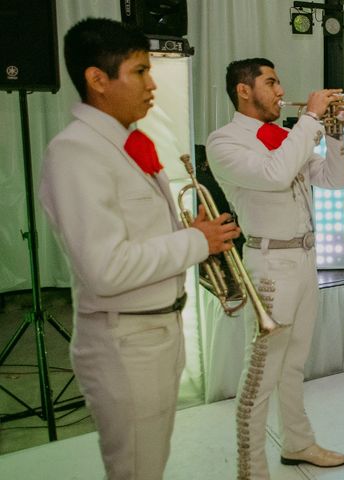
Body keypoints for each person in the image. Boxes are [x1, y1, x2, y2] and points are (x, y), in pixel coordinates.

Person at [39, 18, 241, 480]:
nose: (152, 85)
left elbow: (137, 237)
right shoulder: (76, 151)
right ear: (97, 80)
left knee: (150, 463)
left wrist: (189, 231)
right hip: (124, 342)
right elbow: (106, 268)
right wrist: (195, 240)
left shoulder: (121, 144)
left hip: (153, 332)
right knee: (135, 470)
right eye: (139, 72)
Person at [206, 58, 344, 480]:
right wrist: (309, 119)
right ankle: (251, 470)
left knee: (294, 363)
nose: (281, 89)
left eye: (279, 80)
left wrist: (337, 135)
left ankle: (299, 443)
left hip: (305, 260)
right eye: (271, 82)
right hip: (270, 265)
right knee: (260, 376)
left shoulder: (287, 136)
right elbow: (274, 174)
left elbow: (333, 179)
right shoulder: (224, 141)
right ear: (243, 90)